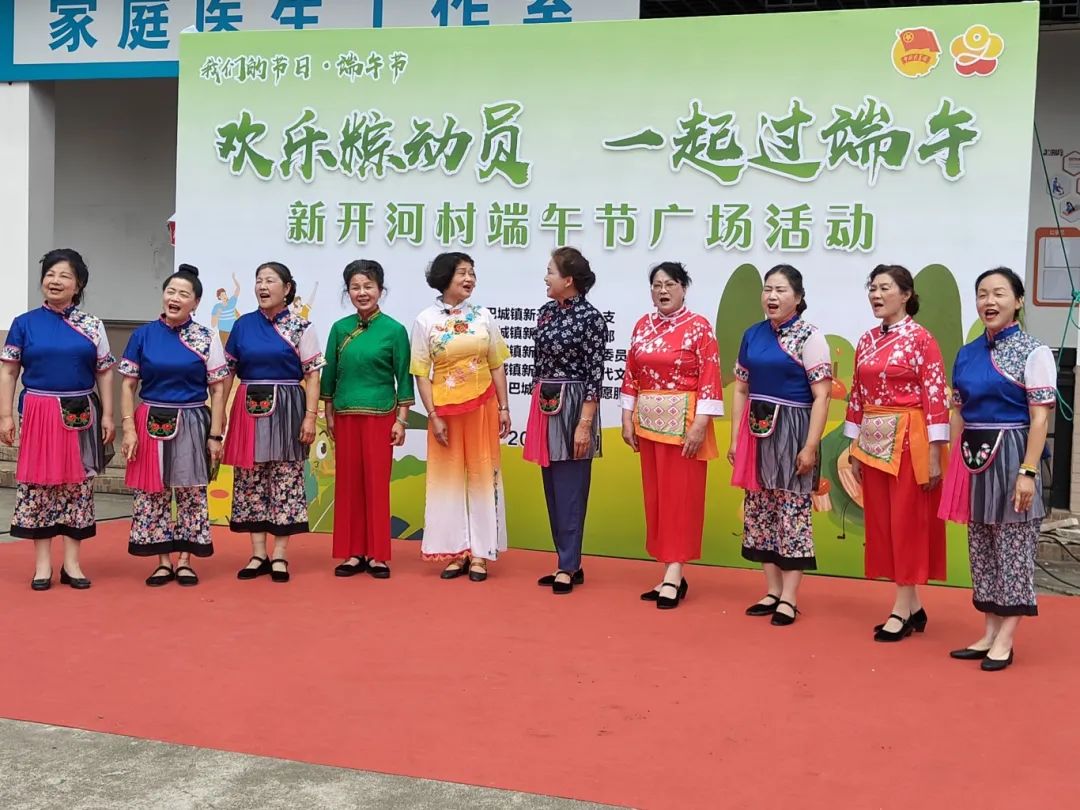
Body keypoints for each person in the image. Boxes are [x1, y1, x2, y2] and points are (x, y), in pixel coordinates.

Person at [940, 267, 1056, 671]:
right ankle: (989, 632)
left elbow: (1039, 419)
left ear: (1018, 301)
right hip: (972, 459)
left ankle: (1006, 638)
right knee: (983, 547)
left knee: (1013, 547)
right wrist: (953, 462)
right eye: (982, 294)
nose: (989, 301)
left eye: (999, 293)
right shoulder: (967, 353)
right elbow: (958, 411)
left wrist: (1028, 471)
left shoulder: (1034, 352)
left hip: (1012, 457)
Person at [845, 265, 950, 641]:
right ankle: (914, 606)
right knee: (884, 523)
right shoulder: (866, 340)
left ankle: (901, 610)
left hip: (910, 440)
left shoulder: (922, 339)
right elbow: (857, 394)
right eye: (872, 288)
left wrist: (935, 453)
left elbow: (935, 396)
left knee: (906, 521)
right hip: (873, 440)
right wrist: (853, 446)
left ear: (906, 295)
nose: (875, 295)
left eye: (884, 288)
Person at [0, 249, 115, 590]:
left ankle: (72, 564)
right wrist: (5, 414)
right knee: (39, 485)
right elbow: (9, 371)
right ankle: (42, 566)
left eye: (64, 275)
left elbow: (104, 372)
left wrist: (109, 415)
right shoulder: (24, 324)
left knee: (77, 485)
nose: (55, 281)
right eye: (50, 274)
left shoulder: (92, 325)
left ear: (78, 285)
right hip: (38, 412)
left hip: (80, 413)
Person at [729, 265, 831, 626]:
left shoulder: (809, 337)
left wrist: (810, 445)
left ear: (798, 298)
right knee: (759, 510)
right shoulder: (752, 335)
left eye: (781, 290)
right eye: (767, 289)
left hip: (793, 431)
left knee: (791, 512)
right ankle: (771, 590)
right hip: (756, 432)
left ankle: (789, 597)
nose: (772, 296)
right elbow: (741, 388)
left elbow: (822, 396)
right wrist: (735, 438)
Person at [620, 262, 723, 610]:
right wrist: (626, 415)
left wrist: (701, 423)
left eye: (670, 284)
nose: (663, 291)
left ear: (684, 288)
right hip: (648, 423)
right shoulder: (642, 325)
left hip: (684, 425)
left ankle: (675, 571)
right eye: (657, 285)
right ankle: (669, 570)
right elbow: (632, 372)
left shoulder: (699, 327)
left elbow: (710, 374)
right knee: (657, 497)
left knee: (681, 497)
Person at [119, 264, 228, 587]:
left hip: (192, 419)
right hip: (149, 419)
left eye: (183, 294)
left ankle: (185, 560)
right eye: (170, 291)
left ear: (196, 303)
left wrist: (215, 434)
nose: (175, 298)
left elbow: (218, 390)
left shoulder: (206, 337)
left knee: (191, 491)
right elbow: (128, 385)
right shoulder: (143, 335)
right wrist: (129, 428)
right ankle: (162, 561)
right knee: (153, 492)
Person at [411, 252, 511, 582]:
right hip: (445, 413)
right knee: (448, 480)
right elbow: (421, 373)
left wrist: (504, 407)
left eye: (472, 273)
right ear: (445, 278)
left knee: (482, 476)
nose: (469, 279)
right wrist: (432, 415)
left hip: (482, 407)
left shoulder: (483, 316)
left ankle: (481, 553)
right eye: (462, 273)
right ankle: (456, 551)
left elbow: (496, 364)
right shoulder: (426, 319)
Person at [224, 262, 323, 584]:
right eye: (258, 281)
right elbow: (228, 373)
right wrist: (221, 413)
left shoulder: (300, 327)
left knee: (285, 478)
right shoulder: (243, 326)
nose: (262, 286)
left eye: (270, 280)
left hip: (288, 408)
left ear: (287, 288)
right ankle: (258, 554)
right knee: (250, 479)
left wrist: (310, 416)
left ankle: (279, 554)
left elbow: (313, 375)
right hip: (248, 408)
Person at [321, 260, 413, 579]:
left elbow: (404, 378)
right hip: (345, 415)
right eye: (355, 287)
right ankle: (352, 552)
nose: (362, 293)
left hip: (381, 416)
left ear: (380, 290)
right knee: (348, 485)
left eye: (368, 286)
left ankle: (377, 555)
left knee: (376, 485)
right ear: (347, 291)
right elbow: (329, 374)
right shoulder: (339, 329)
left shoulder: (395, 330)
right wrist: (328, 414)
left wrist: (401, 420)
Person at [524, 247, 607, 595]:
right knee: (552, 487)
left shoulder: (591, 319)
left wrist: (584, 423)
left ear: (568, 279)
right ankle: (567, 560)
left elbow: (594, 376)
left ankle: (568, 564)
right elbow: (538, 364)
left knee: (571, 486)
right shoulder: (545, 313)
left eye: (551, 272)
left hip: (575, 406)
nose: (546, 278)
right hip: (545, 404)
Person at [210, 273, 240, 344]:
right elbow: (213, 324)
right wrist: (218, 314)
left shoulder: (231, 302)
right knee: (226, 349)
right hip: (223, 332)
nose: (224, 296)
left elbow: (238, 289)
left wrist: (234, 279)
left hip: (234, 331)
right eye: (222, 295)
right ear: (219, 297)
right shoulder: (217, 307)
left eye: (225, 294)